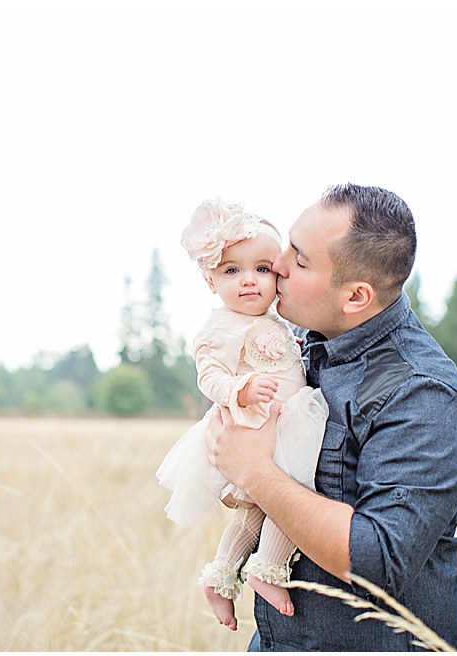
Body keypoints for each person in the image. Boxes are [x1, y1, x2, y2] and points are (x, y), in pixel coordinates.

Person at [208, 183, 457, 651]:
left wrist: (253, 471)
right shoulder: (306, 339)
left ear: (356, 297)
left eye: (299, 260)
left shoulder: (419, 393)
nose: (277, 264)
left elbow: (376, 559)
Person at [156, 198, 328, 632]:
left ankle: (222, 575)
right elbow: (209, 378)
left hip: (289, 420)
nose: (248, 281)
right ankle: (267, 567)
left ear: (279, 275)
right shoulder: (219, 328)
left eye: (262, 269)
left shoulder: (283, 321)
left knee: (258, 508)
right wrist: (241, 388)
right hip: (253, 424)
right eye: (232, 271)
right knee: (292, 496)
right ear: (210, 280)